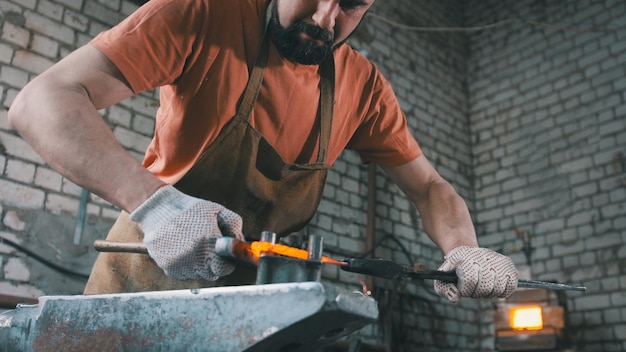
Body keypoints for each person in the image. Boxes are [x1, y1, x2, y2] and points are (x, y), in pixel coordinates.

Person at [8, 0, 518, 303]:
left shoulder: (362, 88)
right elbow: (41, 102)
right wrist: (156, 205)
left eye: (351, 5)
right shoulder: (206, 14)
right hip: (143, 271)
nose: (323, 18)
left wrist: (463, 247)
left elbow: (430, 187)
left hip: (251, 298)